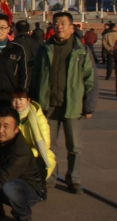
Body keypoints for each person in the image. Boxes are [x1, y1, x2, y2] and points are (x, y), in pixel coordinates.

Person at [29, 11, 97, 194]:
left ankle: (74, 179)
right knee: (48, 145)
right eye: (56, 23)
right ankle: (50, 177)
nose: (58, 26)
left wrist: (89, 105)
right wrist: (33, 101)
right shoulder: (45, 49)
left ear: (72, 27)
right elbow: (36, 76)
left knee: (74, 146)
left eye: (63, 23)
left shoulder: (81, 50)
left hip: (73, 106)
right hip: (48, 105)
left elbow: (90, 79)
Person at [11, 88, 56, 183]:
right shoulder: (9, 118)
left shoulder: (38, 118)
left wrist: (27, 153)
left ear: (28, 100)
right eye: (14, 99)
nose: (18, 103)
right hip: (15, 154)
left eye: (21, 99)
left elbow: (45, 144)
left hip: (35, 154)